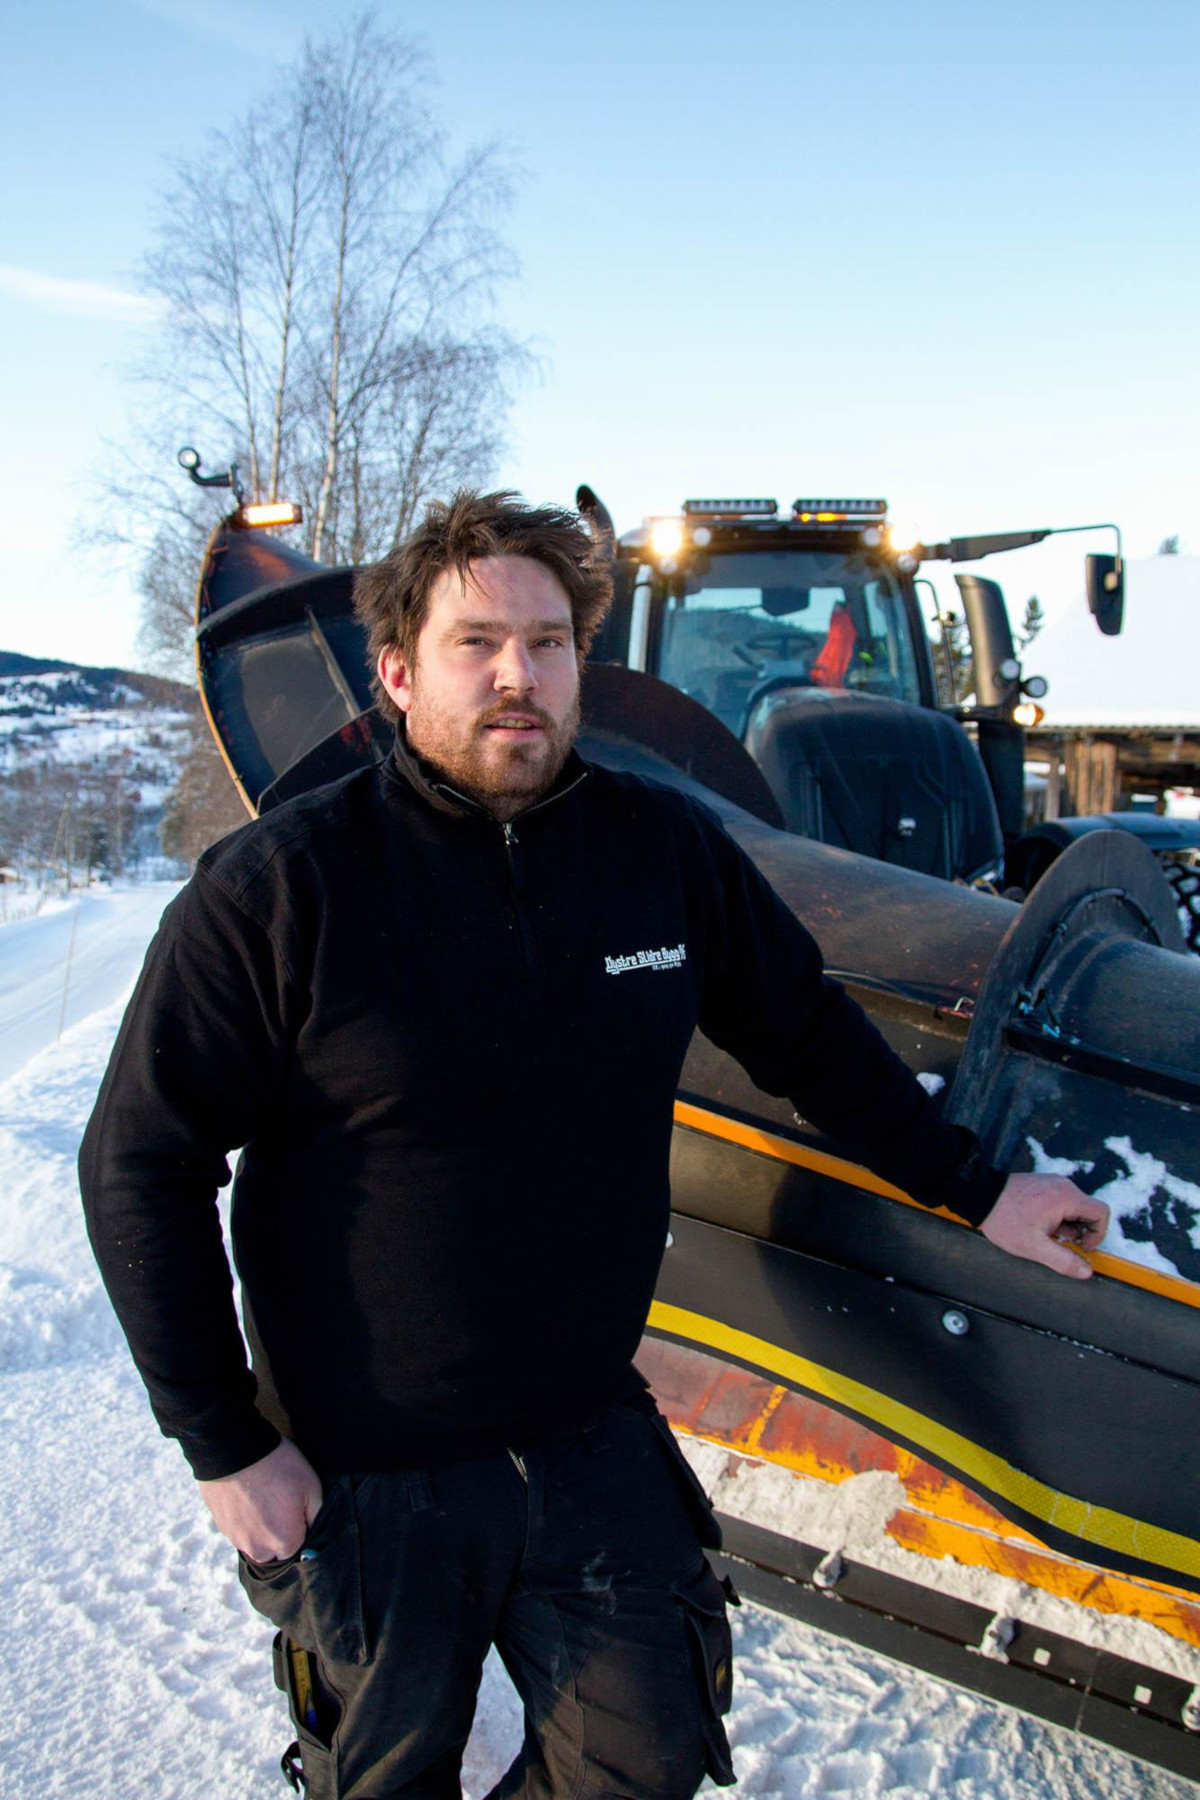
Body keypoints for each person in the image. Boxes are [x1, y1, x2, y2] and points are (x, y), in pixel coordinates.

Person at [80, 491, 1108, 1800]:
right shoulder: (286, 886)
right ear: (397, 671)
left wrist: (982, 1189)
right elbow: (139, 1164)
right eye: (477, 643)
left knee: (647, 1760)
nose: (519, 675)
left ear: (585, 664)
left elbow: (812, 1041)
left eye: (550, 642)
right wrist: (222, 1441)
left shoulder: (661, 851)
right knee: (382, 1778)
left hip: (584, 1427)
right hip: (361, 1464)